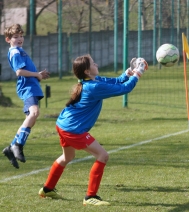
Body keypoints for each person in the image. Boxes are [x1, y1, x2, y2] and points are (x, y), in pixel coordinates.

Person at [38, 54, 148, 206]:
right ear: (87, 72)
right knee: (102, 155)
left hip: (63, 124)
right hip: (73, 129)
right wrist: (138, 73)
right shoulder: (94, 87)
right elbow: (124, 88)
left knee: (67, 157)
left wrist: (130, 71)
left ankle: (47, 189)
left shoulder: (93, 81)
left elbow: (116, 81)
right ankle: (90, 196)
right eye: (93, 63)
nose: (96, 64)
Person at [2, 24, 50, 169]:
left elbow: (26, 70)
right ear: (8, 39)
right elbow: (19, 72)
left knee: (32, 118)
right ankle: (17, 145)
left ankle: (11, 148)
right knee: (34, 113)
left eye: (21, 36)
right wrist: (36, 75)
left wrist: (39, 75)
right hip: (27, 87)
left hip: (32, 87)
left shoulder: (20, 50)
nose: (19, 39)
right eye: (16, 37)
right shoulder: (15, 51)